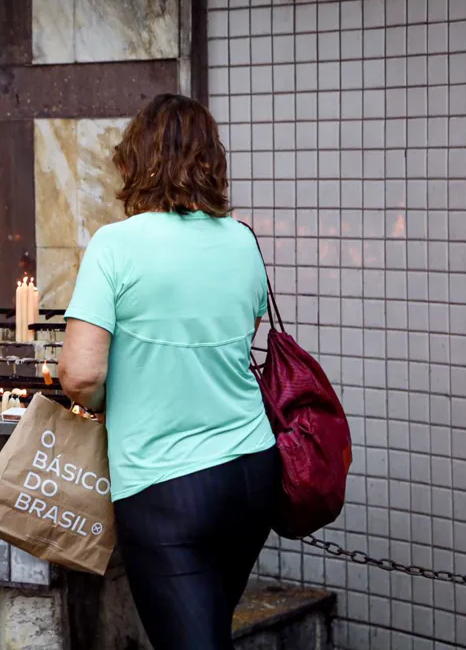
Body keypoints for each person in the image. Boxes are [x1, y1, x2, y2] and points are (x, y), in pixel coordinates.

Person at [57, 93, 279, 649]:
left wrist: (112, 400)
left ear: (136, 159)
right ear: (211, 161)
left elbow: (80, 375)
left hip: (166, 485)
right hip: (253, 473)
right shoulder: (243, 241)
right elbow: (234, 336)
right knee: (208, 628)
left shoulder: (115, 245)